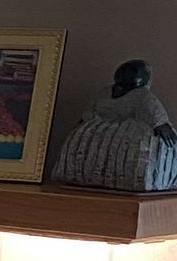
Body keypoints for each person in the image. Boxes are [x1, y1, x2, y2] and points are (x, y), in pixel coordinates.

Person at [51, 60, 177, 192]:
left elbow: (155, 113)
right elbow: (155, 112)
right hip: (115, 133)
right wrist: (161, 124)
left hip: (106, 131)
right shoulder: (138, 94)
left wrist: (161, 124)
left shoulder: (132, 94)